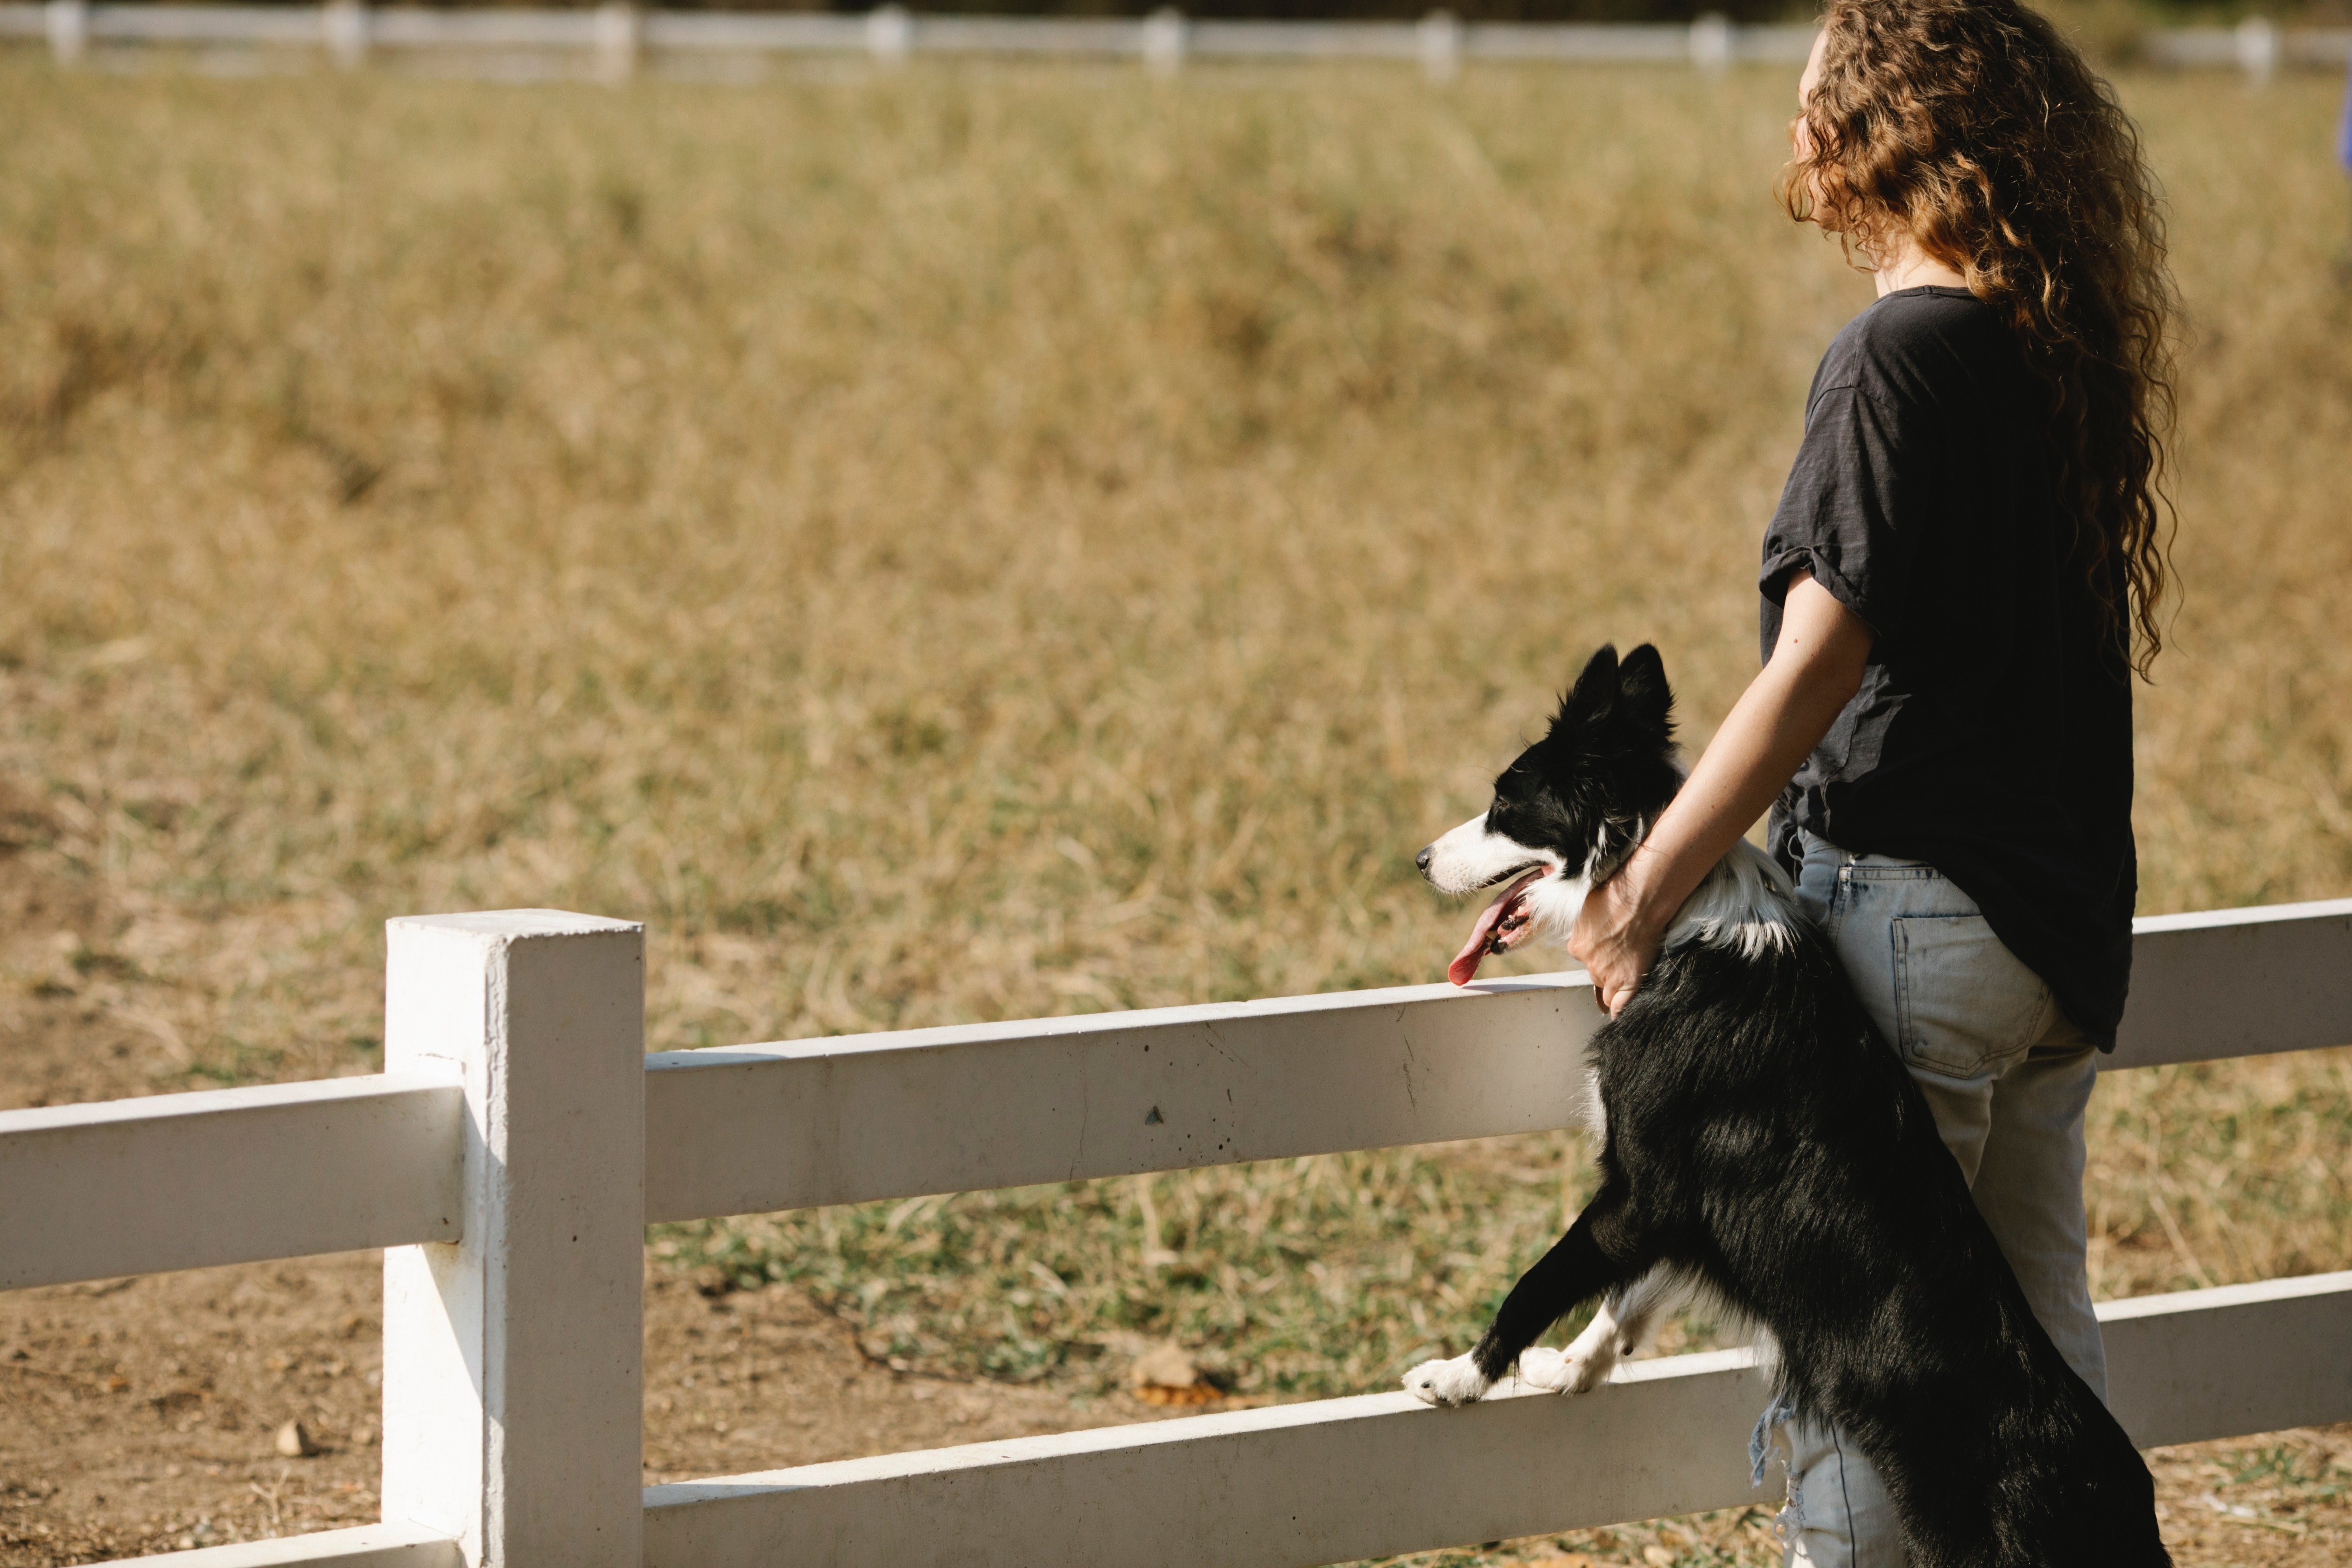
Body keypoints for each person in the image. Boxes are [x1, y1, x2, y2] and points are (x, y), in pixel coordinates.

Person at [1564, 0, 2176, 1561]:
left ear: (1877, 137)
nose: (1787, 133)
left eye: (1808, 103)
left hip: (1915, 924)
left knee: (1872, 1384)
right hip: (2052, 940)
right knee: (2042, 1360)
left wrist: (1647, 890)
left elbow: (1816, 667)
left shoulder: (1893, 357)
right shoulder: (2046, 349)